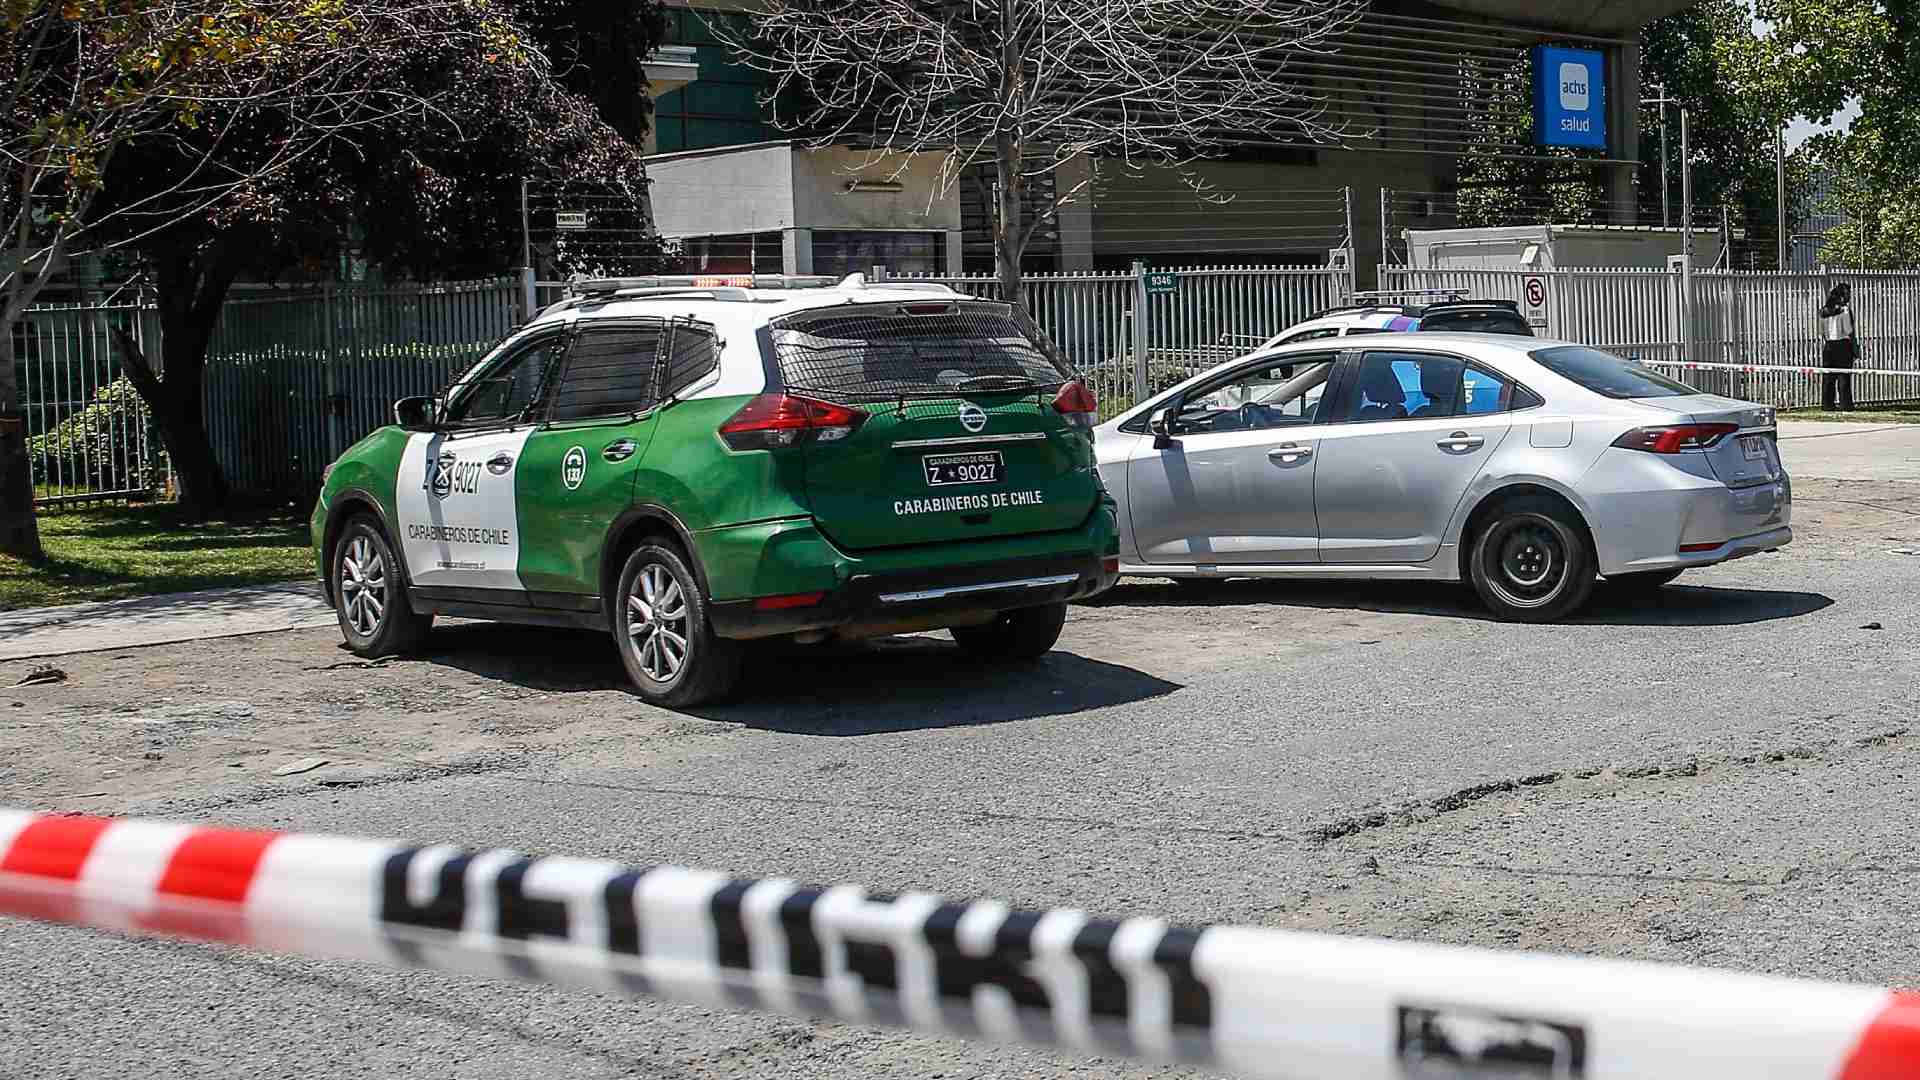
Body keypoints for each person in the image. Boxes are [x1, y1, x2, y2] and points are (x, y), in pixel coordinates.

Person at [1819, 282, 1858, 411]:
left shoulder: (1824, 310)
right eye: (1848, 294)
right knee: (1844, 376)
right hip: (1842, 345)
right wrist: (1854, 347)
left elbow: (1821, 332)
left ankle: (1827, 404)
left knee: (1828, 377)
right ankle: (1845, 404)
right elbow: (1848, 330)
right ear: (1842, 296)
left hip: (1829, 345)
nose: (1849, 297)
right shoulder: (1845, 310)